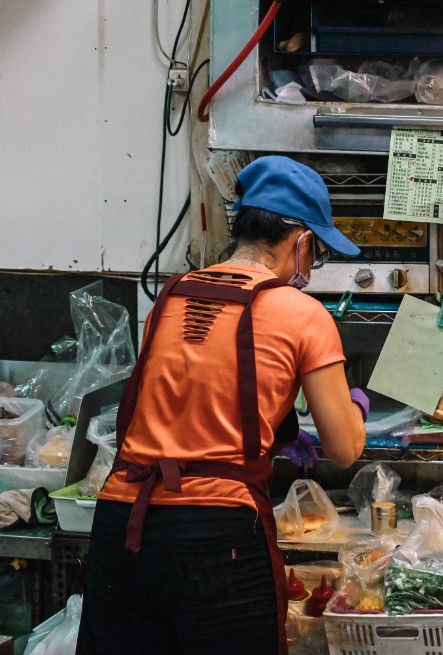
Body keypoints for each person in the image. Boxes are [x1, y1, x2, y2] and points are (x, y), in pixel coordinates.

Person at [77, 155, 368, 655]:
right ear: (300, 241)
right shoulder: (304, 314)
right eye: (316, 253)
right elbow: (344, 449)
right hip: (215, 535)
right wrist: (354, 406)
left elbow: (188, 397)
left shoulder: (168, 297)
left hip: (123, 522)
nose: (311, 265)